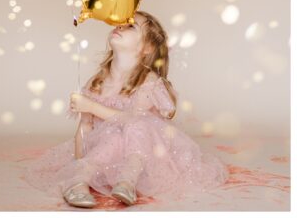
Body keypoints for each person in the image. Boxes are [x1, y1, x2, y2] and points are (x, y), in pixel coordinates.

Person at [26, 11, 226, 208]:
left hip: (144, 163)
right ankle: (79, 181)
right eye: (120, 23)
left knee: (132, 126)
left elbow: (132, 122)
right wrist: (79, 165)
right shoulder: (96, 83)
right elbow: (85, 127)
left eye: (130, 26)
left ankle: (127, 180)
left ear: (147, 47)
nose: (120, 26)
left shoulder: (148, 82)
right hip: (104, 161)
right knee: (112, 136)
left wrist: (92, 106)